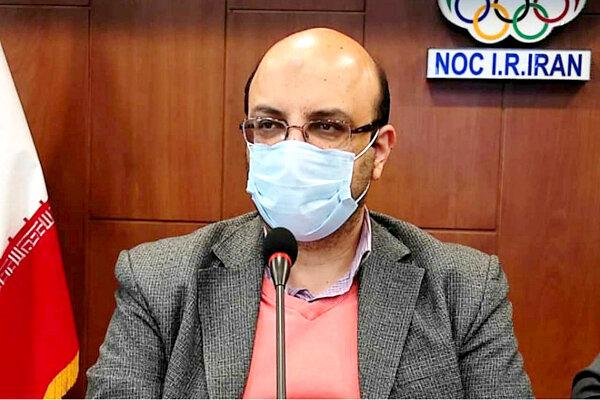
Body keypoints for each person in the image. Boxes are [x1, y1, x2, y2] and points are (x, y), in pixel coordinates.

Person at [86, 28, 532, 398]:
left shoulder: (464, 289)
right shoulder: (160, 281)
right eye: (269, 124)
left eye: (327, 126)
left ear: (378, 150)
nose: (292, 150)